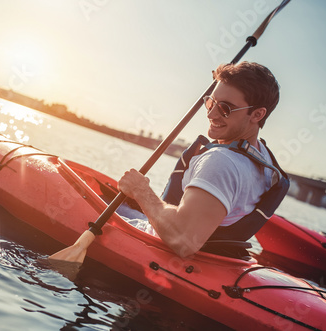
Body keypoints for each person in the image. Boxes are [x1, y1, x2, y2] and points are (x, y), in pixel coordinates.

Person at [117, 61, 287, 258]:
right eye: (211, 102)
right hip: (212, 253)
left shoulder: (221, 161)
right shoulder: (263, 157)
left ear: (257, 114)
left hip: (156, 246)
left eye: (225, 108)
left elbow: (184, 240)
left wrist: (140, 190)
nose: (211, 113)